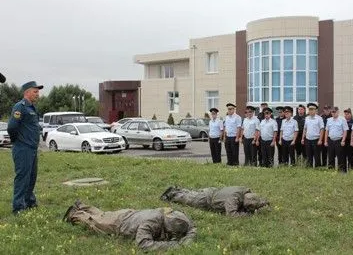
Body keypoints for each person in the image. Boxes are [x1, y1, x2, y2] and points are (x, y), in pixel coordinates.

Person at [63, 200, 196, 252]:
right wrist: (175, 245)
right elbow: (143, 244)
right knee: (94, 222)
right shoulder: (150, 224)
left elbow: (192, 227)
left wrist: (188, 238)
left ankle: (82, 205)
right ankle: (75, 213)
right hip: (119, 224)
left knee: (103, 214)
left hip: (129, 214)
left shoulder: (175, 215)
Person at [7, 81, 43, 215]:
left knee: (32, 177)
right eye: (35, 91)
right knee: (22, 177)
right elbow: (12, 127)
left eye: (38, 92)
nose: (37, 94)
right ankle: (18, 207)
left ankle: (29, 201)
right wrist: (18, 141)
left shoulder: (32, 108)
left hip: (32, 149)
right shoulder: (20, 107)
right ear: (27, 92)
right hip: (23, 148)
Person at [160, 186, 269, 217]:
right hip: (206, 200)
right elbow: (231, 214)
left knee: (192, 194)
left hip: (212, 191)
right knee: (187, 199)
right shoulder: (234, 199)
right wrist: (248, 215)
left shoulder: (244, 190)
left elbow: (257, 201)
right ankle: (171, 194)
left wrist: (262, 204)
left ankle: (179, 189)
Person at [324, 107, 348, 171]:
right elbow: (326, 131)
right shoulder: (329, 120)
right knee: (331, 157)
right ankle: (331, 170)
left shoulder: (342, 119)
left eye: (334, 112)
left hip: (339, 140)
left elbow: (345, 131)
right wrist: (325, 141)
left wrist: (343, 140)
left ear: (338, 112)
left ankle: (342, 171)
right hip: (330, 140)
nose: (333, 113)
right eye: (332, 112)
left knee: (341, 157)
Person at [301, 103, 324, 168]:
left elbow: (322, 129)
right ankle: (309, 169)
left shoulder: (319, 118)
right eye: (309, 109)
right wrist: (303, 138)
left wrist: (320, 140)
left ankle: (318, 169)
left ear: (315, 110)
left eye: (312, 109)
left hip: (316, 140)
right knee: (309, 156)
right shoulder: (307, 118)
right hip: (308, 139)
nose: (310, 111)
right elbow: (305, 129)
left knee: (317, 156)